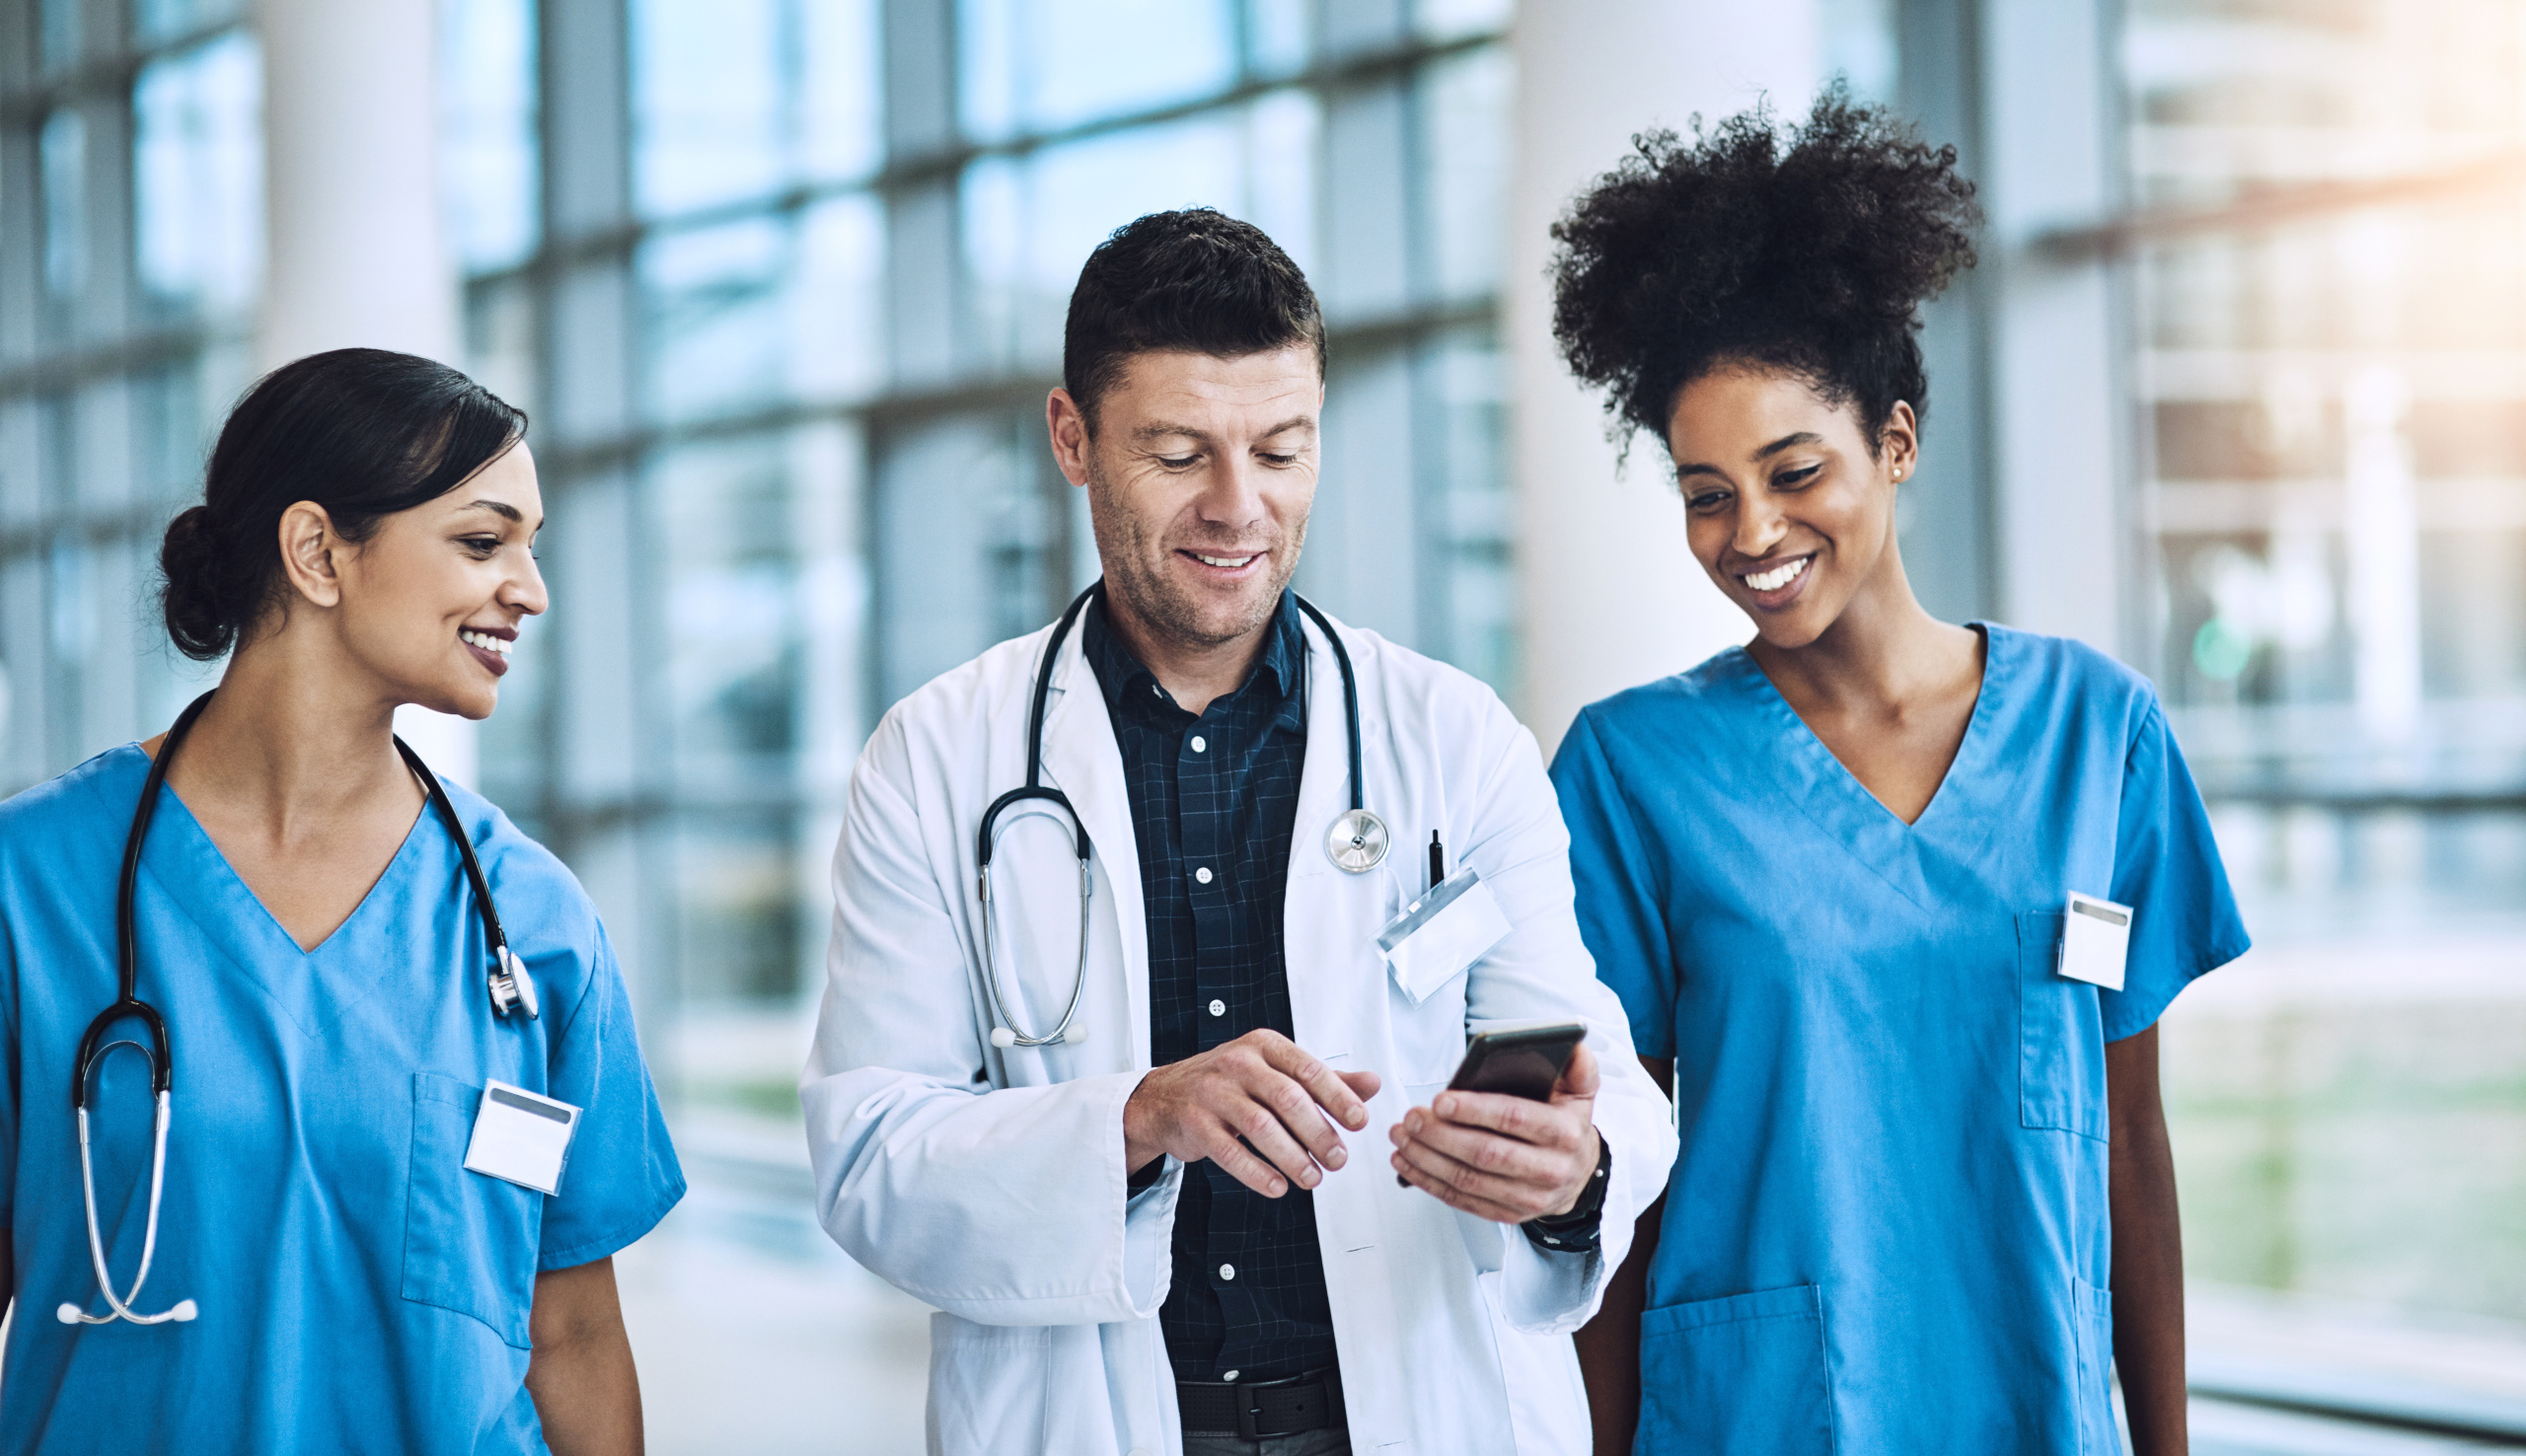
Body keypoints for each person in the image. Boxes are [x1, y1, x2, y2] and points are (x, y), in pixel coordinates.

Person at [800, 209, 1676, 1456]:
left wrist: (1573, 1171)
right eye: (1176, 453)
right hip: (1100, 1419)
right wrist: (1138, 1118)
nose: (1237, 506)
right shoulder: (936, 759)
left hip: (1415, 1408)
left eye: (1281, 448)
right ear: (1072, 438)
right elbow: (868, 1155)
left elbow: (1589, 1063)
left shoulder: (1452, 734)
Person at [1544, 94, 2248, 1455]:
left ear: (1898, 443)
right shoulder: (1630, 773)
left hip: (2033, 1398)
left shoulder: (2098, 736)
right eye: (1704, 491)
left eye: (1794, 468)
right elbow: (1610, 1184)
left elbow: (2130, 1145)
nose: (1751, 532)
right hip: (1764, 1416)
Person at [0, 349, 684, 1456]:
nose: (532, 588)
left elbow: (573, 1339)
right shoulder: (31, 887)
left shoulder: (531, 922)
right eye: (481, 541)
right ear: (318, 551)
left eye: (531, 546)